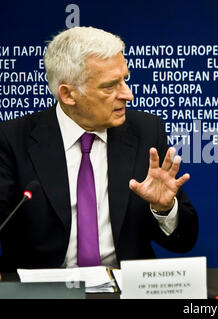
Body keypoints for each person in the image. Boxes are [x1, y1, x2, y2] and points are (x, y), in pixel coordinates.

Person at [0, 27, 198, 271]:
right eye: (110, 86)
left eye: (125, 79)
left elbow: (185, 241)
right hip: (43, 289)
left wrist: (163, 208)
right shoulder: (13, 139)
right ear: (68, 94)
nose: (128, 94)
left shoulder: (146, 131)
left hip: (125, 288)